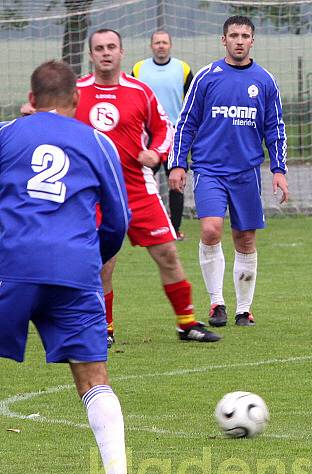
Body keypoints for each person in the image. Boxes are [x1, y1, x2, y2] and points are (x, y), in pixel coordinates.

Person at [0, 60, 134, 474]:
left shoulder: (5, 134)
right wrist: (95, 255)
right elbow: (119, 218)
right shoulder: (97, 141)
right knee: (94, 376)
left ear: (31, 100)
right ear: (77, 101)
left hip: (13, 266)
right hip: (75, 271)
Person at [78, 28, 219, 345]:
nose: (105, 52)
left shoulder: (139, 91)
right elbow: (53, 123)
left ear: (122, 52)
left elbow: (164, 129)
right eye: (99, 48)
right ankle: (105, 328)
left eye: (111, 46)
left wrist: (156, 153)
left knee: (168, 253)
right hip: (94, 194)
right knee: (103, 262)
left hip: (138, 190)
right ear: (91, 54)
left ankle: (187, 324)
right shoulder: (76, 92)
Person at [169, 15, 288, 328]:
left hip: (246, 172)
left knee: (245, 239)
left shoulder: (264, 81)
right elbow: (186, 123)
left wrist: (278, 169)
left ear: (252, 41)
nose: (239, 40)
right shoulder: (207, 77)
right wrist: (178, 163)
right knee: (210, 230)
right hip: (209, 169)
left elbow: (274, 127)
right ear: (223, 40)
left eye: (244, 35)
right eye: (233, 35)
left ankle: (243, 310)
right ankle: (217, 302)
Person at [132, 29, 193, 241]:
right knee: (141, 182)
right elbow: (132, 98)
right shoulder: (139, 69)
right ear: (151, 45)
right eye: (157, 42)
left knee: (176, 183)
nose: (161, 46)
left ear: (170, 45)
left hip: (174, 135)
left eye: (164, 42)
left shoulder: (183, 69)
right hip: (147, 136)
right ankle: (143, 227)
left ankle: (175, 229)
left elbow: (192, 102)